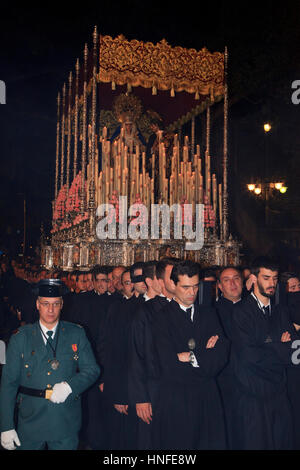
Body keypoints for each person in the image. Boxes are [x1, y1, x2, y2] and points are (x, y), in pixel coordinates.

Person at [0, 279, 100, 450]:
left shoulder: (76, 334)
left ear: (62, 305)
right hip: (30, 420)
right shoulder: (21, 337)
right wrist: (6, 426)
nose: (51, 309)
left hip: (65, 419)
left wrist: (70, 386)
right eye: (46, 304)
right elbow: (8, 384)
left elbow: (92, 369)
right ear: (37, 305)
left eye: (55, 304)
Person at [151, 260, 229, 450]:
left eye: (195, 287)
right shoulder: (160, 318)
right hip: (176, 402)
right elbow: (166, 363)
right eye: (186, 287)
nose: (192, 293)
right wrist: (203, 355)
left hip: (207, 399)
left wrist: (190, 357)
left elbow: (221, 356)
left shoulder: (209, 314)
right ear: (173, 285)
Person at [230, 256, 298, 450]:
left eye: (275, 279)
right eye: (266, 278)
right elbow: (250, 355)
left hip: (279, 394)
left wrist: (269, 345)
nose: (272, 284)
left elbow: (295, 352)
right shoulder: (240, 312)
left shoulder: (280, 311)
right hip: (253, 397)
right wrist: (280, 345)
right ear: (254, 279)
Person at [215, 266, 244, 449]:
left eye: (236, 278)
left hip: (253, 383)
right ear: (219, 286)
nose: (232, 284)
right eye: (227, 280)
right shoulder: (211, 312)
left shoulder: (256, 307)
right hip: (224, 382)